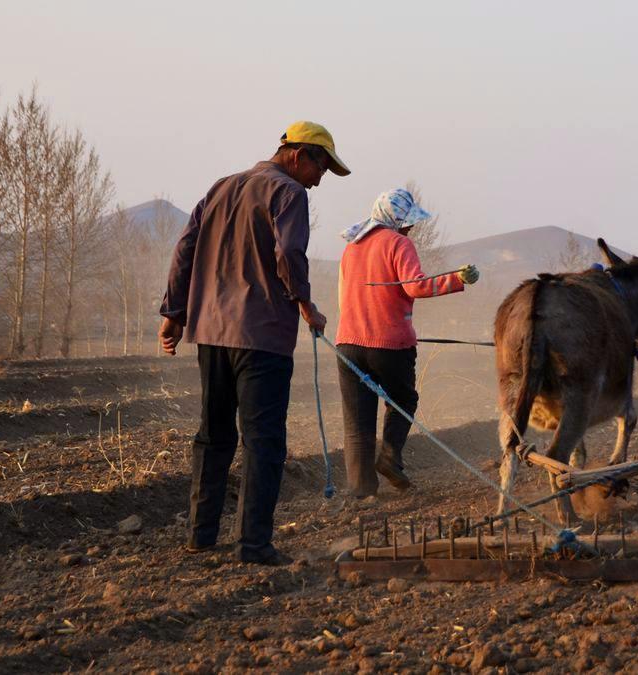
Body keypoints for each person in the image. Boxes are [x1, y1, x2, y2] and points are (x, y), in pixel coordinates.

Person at [158, 121, 348, 565]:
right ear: (299, 155)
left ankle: (200, 535)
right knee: (263, 442)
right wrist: (305, 302)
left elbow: (184, 249)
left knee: (214, 435)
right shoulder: (288, 194)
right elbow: (288, 253)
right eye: (321, 167)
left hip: (210, 333)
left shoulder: (221, 187)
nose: (320, 180)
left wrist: (174, 314)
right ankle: (253, 545)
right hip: (261, 335)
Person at [335, 188, 480, 498]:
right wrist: (457, 278)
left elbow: (344, 296)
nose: (412, 228)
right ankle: (389, 458)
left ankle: (361, 492)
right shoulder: (399, 243)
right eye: (409, 222)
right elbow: (415, 287)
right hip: (389, 345)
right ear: (396, 219)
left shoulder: (352, 247)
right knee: (402, 401)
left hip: (347, 343)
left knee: (358, 420)